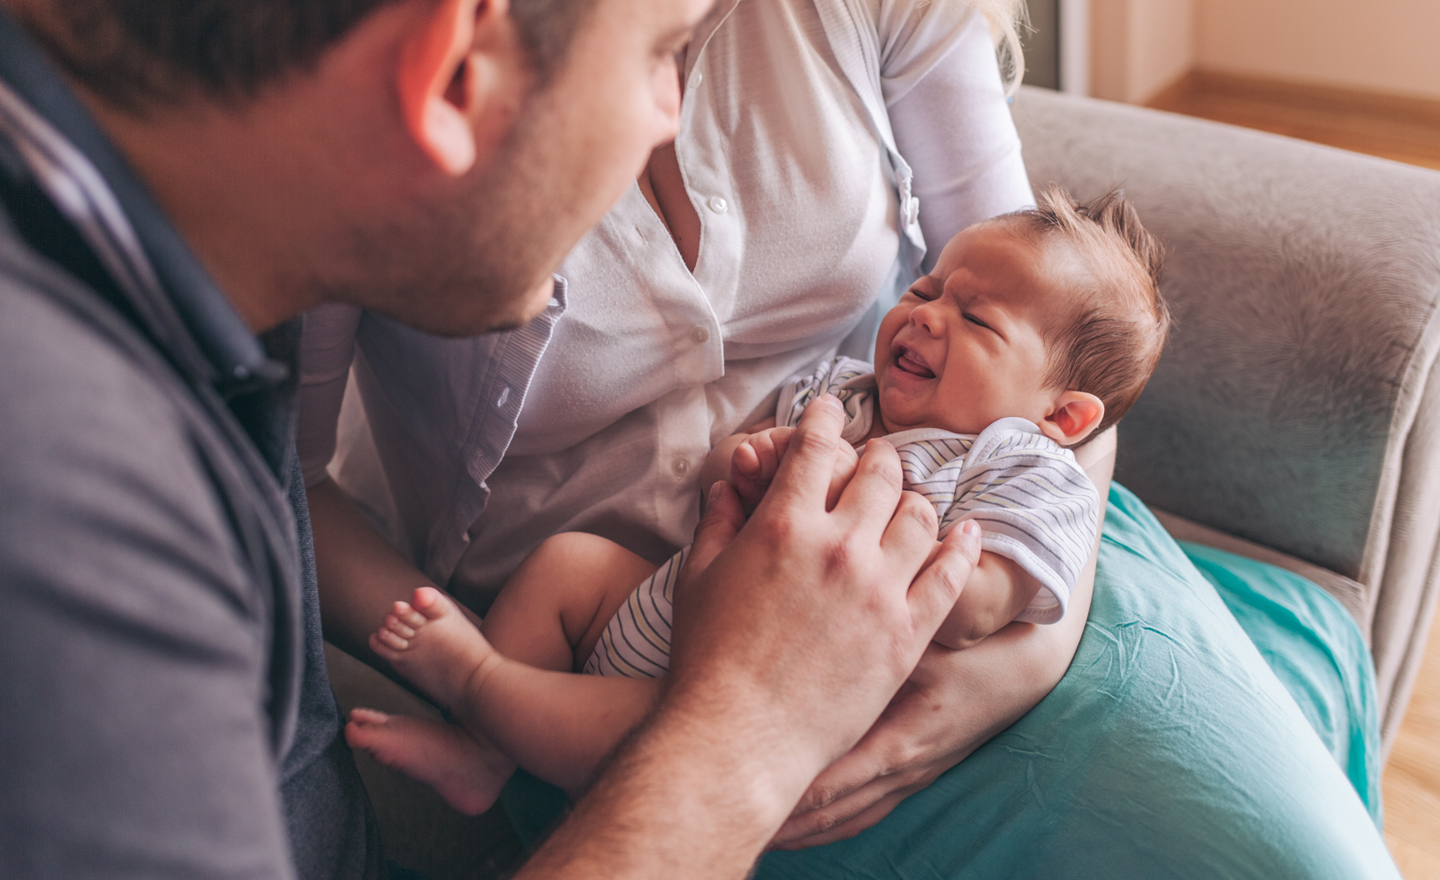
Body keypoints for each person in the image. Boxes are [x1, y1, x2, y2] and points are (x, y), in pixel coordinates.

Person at [0, 0, 982, 878]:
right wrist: (752, 729)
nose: (671, 116)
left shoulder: (164, 279)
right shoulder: (61, 500)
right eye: (660, 54)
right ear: (453, 72)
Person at [299, 0, 1093, 847]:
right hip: (597, 624)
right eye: (928, 292)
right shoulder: (369, 66)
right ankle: (487, 731)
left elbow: (1057, 355)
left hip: (871, 627)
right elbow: (283, 480)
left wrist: (1005, 673)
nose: (932, 311)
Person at [343, 187, 1169, 805]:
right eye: (923, 291)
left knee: (658, 743)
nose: (924, 317)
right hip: (672, 601)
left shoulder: (1019, 463)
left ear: (1062, 415)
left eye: (977, 320)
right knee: (567, 565)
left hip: (768, 680)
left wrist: (882, 524)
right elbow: (719, 475)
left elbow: (985, 604)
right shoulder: (842, 394)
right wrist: (751, 460)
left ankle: (484, 686)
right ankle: (481, 757)